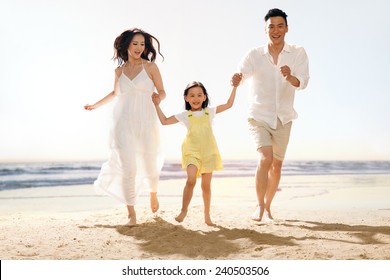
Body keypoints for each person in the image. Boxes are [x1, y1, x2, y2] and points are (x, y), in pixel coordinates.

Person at [232, 8, 310, 222]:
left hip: (284, 117)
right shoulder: (254, 54)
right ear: (265, 30)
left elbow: (302, 82)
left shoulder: (298, 52)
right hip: (259, 115)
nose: (275, 30)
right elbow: (242, 74)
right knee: (265, 158)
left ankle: (268, 206)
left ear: (286, 28)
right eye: (271, 27)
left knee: (276, 165)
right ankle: (259, 206)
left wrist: (290, 76)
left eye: (280, 26)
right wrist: (237, 79)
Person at [84, 28, 167, 226]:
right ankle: (131, 214)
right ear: (127, 45)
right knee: (128, 168)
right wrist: (95, 105)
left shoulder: (151, 68)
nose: (139, 47)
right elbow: (115, 94)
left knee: (149, 165)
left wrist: (159, 98)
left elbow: (163, 91)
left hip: (146, 122)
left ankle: (153, 193)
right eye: (135, 44)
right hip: (123, 123)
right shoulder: (119, 71)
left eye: (142, 44)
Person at [152, 78, 242, 226]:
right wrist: (156, 105)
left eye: (199, 95)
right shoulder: (185, 115)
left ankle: (207, 216)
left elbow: (229, 104)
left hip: (209, 152)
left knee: (206, 187)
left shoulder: (209, 112)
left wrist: (235, 87)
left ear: (204, 97)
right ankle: (184, 210)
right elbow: (164, 121)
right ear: (186, 98)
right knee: (191, 179)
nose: (196, 98)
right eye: (192, 95)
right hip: (191, 151)